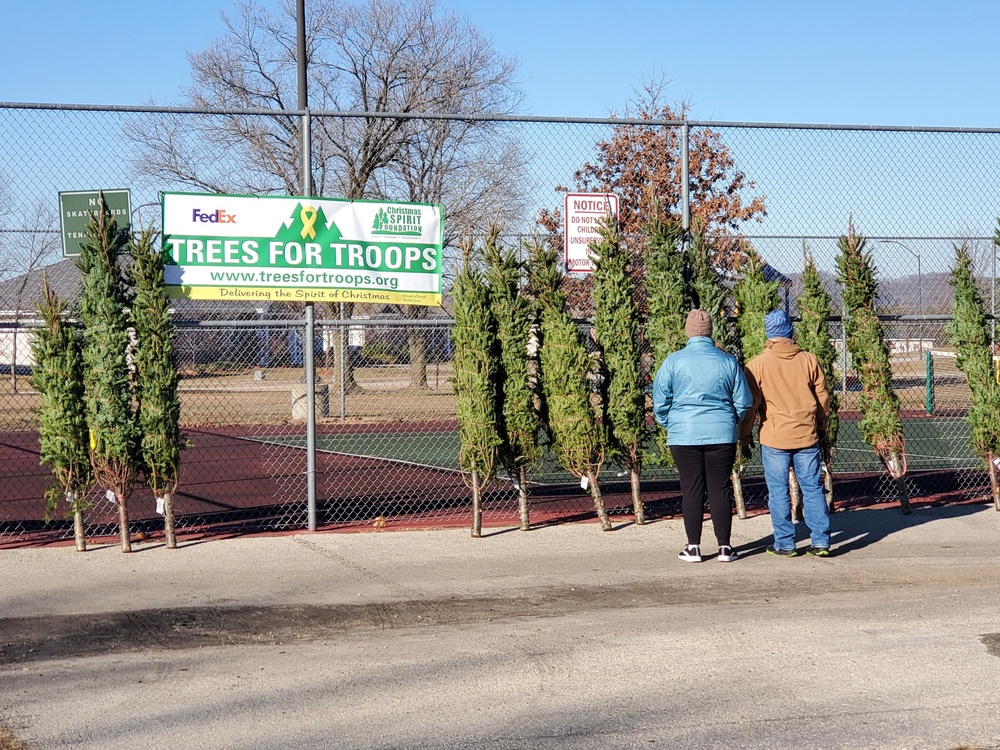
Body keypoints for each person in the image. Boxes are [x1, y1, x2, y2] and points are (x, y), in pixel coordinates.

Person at [652, 309, 753, 563]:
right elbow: (744, 401)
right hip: (721, 433)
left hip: (684, 434)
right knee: (720, 488)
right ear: (710, 331)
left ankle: (693, 547)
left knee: (691, 489)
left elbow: (660, 400)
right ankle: (725, 547)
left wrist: (671, 423)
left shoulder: (674, 361)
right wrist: (730, 422)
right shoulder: (727, 360)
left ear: (688, 331)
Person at [741, 309, 832, 557]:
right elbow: (823, 398)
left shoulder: (756, 365)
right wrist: (821, 426)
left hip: (774, 436)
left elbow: (751, 405)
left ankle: (785, 543)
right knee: (812, 488)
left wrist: (745, 435)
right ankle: (821, 541)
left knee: (778, 490)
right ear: (791, 331)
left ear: (768, 334)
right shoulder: (809, 360)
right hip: (806, 434)